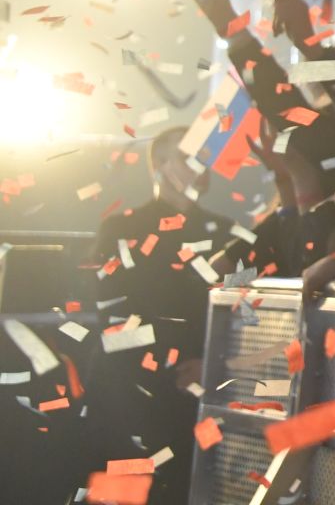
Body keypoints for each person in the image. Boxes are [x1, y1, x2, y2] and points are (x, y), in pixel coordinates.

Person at [88, 129, 226, 505]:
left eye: (203, 156)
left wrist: (210, 365)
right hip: (128, 395)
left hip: (196, 401)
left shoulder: (226, 234)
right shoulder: (120, 229)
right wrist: (180, 361)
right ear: (160, 167)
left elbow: (240, 319)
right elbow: (112, 319)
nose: (201, 165)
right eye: (188, 157)